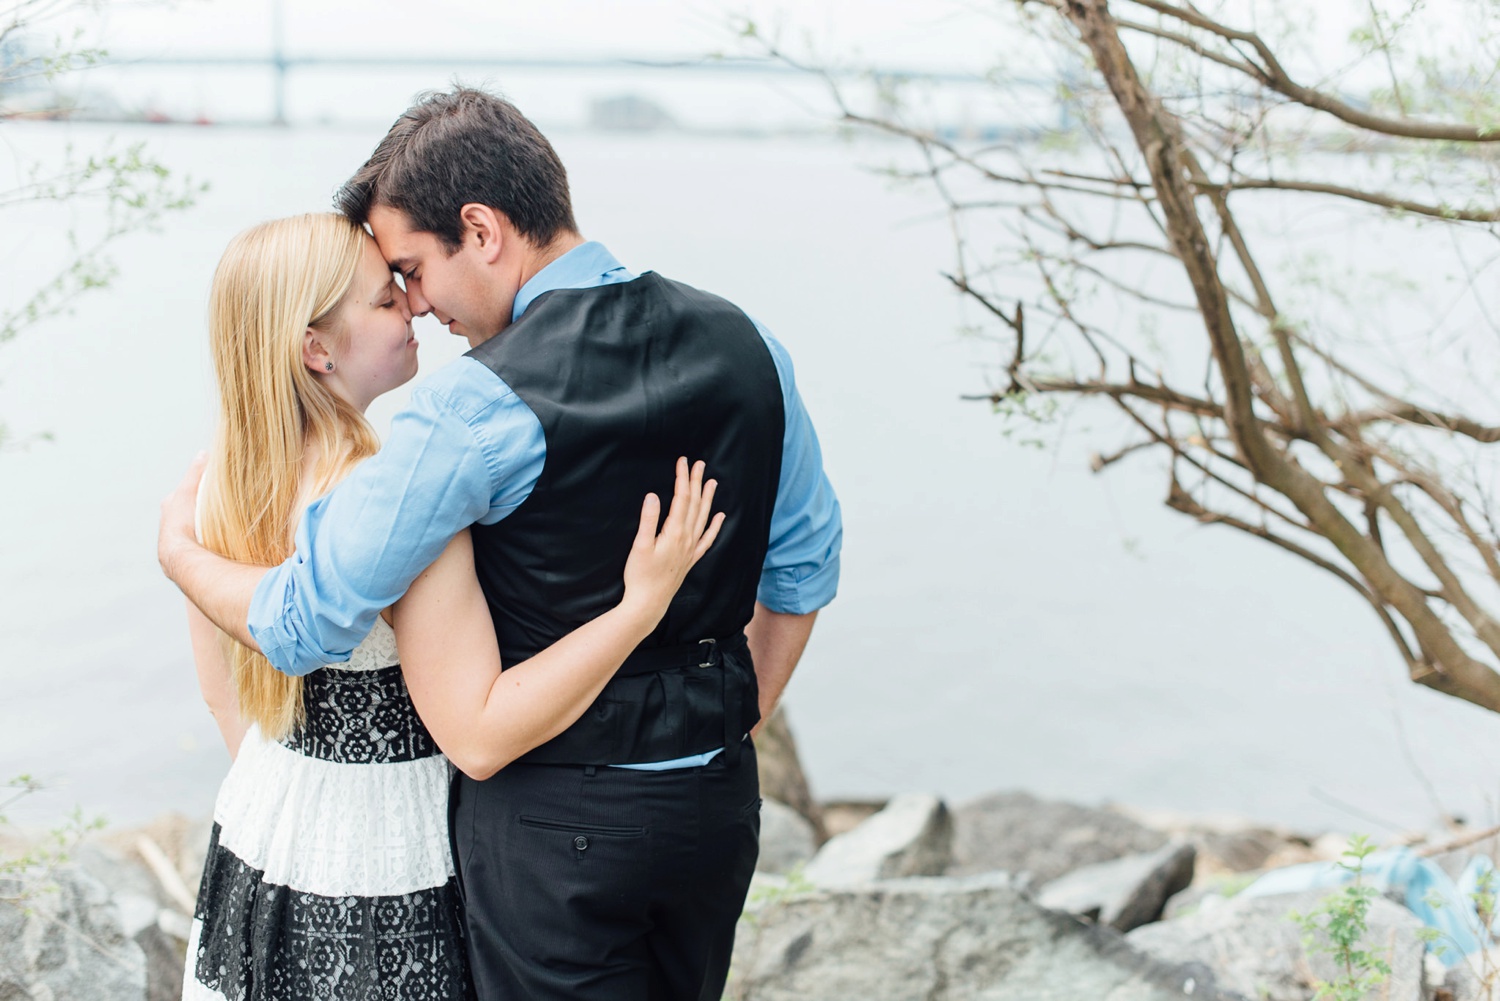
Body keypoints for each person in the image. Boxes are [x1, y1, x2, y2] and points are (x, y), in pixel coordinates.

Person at [159, 87, 843, 1001]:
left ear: (481, 231)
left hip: (556, 827)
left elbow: (302, 620)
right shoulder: (751, 342)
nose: (415, 302)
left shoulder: (468, 408)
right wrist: (726, 722)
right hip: (713, 809)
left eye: (411, 267)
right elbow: (801, 575)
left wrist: (181, 557)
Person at [180, 212, 724, 1001]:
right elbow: (485, 729)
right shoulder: (394, 506)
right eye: (381, 299)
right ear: (316, 349)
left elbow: (221, 694)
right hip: (394, 858)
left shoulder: (212, 488)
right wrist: (637, 610)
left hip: (263, 830)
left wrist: (308, 797)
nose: (413, 305)